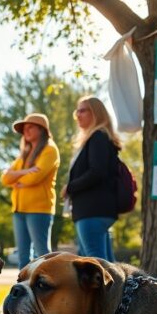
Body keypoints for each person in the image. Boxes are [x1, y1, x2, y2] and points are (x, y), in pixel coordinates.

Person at [61, 97, 121, 262]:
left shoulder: (98, 137)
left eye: (83, 110)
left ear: (96, 113)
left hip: (92, 210)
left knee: (96, 264)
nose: (78, 115)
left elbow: (97, 172)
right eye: (77, 111)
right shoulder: (99, 137)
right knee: (108, 265)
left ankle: (109, 289)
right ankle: (119, 288)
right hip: (96, 210)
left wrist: (70, 187)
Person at [1, 113, 60, 269]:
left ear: (42, 129)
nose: (26, 131)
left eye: (30, 127)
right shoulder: (25, 154)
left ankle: (47, 290)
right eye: (24, 128)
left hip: (39, 210)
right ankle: (22, 291)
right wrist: (23, 173)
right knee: (23, 257)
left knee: (42, 255)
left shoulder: (50, 149)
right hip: (19, 210)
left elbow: (35, 177)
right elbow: (5, 179)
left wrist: (17, 178)